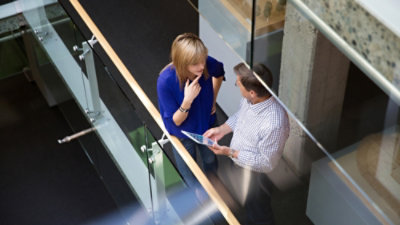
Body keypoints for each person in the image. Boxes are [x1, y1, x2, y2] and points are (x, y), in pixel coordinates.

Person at [204, 62, 289, 225]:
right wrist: (222, 129)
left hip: (258, 175)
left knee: (259, 214)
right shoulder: (249, 100)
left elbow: (266, 163)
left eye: (238, 84)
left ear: (252, 92)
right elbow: (240, 117)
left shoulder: (274, 123)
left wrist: (229, 152)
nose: (236, 85)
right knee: (248, 205)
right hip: (239, 162)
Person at [157, 33, 225, 187]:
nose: (201, 66)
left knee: (210, 160)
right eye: (195, 63)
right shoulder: (165, 81)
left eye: (202, 60)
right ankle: (196, 196)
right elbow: (176, 120)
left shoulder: (205, 64)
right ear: (182, 63)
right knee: (189, 171)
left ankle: (213, 188)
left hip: (206, 124)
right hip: (183, 133)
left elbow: (219, 71)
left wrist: (213, 99)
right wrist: (187, 100)